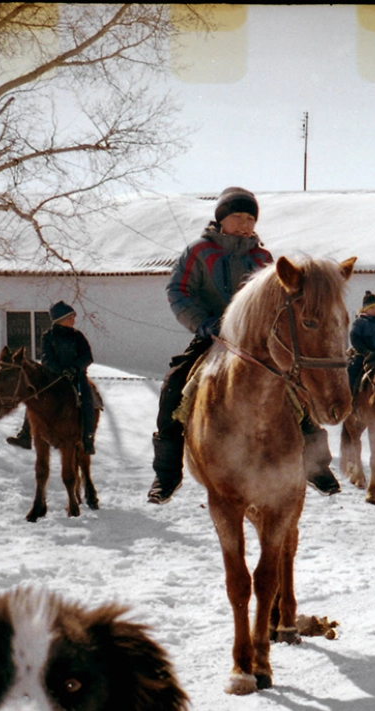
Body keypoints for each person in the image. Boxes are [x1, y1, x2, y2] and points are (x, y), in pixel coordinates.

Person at [147, 186, 341, 504]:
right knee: (174, 386)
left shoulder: (262, 258)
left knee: (297, 391)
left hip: (255, 344)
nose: (245, 223)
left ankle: (317, 466)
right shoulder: (198, 252)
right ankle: (167, 474)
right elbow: (178, 292)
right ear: (221, 218)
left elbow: (278, 301)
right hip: (211, 337)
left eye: (250, 217)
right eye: (237, 216)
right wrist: (204, 323)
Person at [5, 301, 96, 454]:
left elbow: (87, 357)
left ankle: (87, 439)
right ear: (61, 319)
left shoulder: (78, 336)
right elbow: (46, 358)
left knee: (88, 401)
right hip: (54, 379)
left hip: (76, 378)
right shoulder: (48, 337)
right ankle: (25, 435)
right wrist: (59, 370)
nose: (73, 320)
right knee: (34, 400)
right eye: (70, 317)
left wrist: (74, 368)